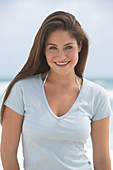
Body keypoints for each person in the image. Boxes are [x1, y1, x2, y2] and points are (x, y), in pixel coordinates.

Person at [0, 10, 112, 170]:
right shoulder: (22, 90)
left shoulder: (97, 95)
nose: (61, 56)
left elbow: (101, 159)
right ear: (43, 50)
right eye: (53, 48)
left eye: (68, 47)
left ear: (80, 46)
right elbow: (7, 152)